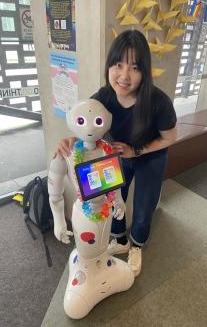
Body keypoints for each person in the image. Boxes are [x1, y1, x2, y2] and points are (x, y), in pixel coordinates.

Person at [56, 29, 177, 277]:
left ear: (144, 71)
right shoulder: (103, 97)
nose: (124, 75)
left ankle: (137, 244)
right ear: (109, 66)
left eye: (134, 67)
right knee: (112, 200)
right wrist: (71, 139)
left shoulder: (158, 101)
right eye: (118, 64)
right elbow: (84, 122)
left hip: (150, 158)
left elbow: (171, 136)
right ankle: (119, 239)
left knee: (144, 208)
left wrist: (137, 150)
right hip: (117, 157)